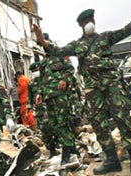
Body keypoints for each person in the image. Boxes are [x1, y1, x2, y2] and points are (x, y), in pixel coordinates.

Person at [33, 0, 131, 175]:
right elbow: (58, 51)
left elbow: (127, 29)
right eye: (86, 21)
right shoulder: (78, 45)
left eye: (91, 20)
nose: (90, 23)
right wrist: (42, 40)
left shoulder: (105, 37)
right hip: (92, 89)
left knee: (123, 119)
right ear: (81, 25)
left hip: (112, 85)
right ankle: (111, 159)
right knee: (98, 123)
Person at [32, 32, 79, 167]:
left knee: (63, 122)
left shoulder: (60, 55)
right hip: (48, 97)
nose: (43, 46)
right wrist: (39, 93)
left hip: (61, 96)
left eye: (43, 43)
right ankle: (72, 148)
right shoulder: (43, 62)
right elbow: (41, 80)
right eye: (41, 44)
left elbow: (70, 69)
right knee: (56, 124)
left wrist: (64, 79)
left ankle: (66, 154)